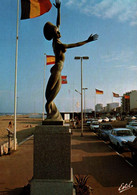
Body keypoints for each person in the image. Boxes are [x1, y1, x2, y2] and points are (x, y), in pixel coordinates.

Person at [43, 1, 98, 121]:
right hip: (57, 69)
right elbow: (76, 44)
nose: (59, 32)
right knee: (50, 96)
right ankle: (49, 112)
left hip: (58, 68)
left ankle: (52, 114)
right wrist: (87, 41)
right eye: (58, 32)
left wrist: (58, 10)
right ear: (54, 33)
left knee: (53, 92)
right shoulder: (59, 44)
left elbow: (58, 23)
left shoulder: (55, 38)